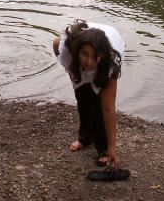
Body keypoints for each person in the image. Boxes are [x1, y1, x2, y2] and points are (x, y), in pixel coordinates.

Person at [53, 20, 125, 170]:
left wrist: (113, 147)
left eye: (95, 56)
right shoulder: (69, 46)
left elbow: (109, 108)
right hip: (80, 52)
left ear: (102, 56)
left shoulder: (110, 62)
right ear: (77, 50)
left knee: (99, 104)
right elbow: (55, 43)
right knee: (82, 99)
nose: (89, 62)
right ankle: (85, 138)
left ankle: (104, 148)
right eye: (84, 54)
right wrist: (72, 71)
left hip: (111, 42)